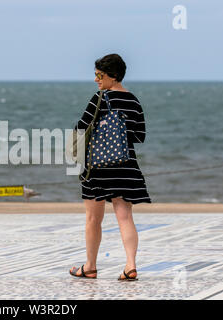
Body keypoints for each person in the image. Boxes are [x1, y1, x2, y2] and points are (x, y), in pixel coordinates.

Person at [69, 53, 151, 281]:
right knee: (125, 216)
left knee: (93, 218)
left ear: (112, 76)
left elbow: (81, 127)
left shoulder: (100, 98)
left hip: (98, 166)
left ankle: (90, 266)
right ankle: (130, 265)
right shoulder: (134, 100)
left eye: (99, 75)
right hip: (126, 166)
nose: (96, 79)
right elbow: (139, 136)